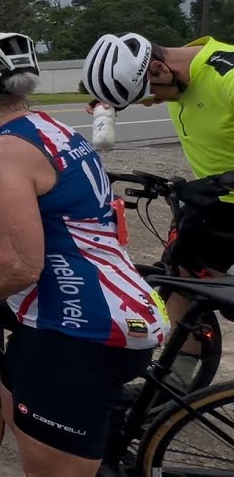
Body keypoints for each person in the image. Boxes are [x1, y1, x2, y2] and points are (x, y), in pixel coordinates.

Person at [0, 32, 168, 475]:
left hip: (77, 327)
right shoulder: (49, 130)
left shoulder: (2, 151)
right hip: (110, 304)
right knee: (14, 400)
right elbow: (6, 215)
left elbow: (19, 266)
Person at [83, 31, 234, 387]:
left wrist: (222, 182)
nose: (151, 103)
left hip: (220, 193)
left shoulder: (227, 76)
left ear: (158, 69)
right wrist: (111, 103)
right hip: (214, 205)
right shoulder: (170, 75)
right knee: (181, 282)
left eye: (151, 94)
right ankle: (174, 384)